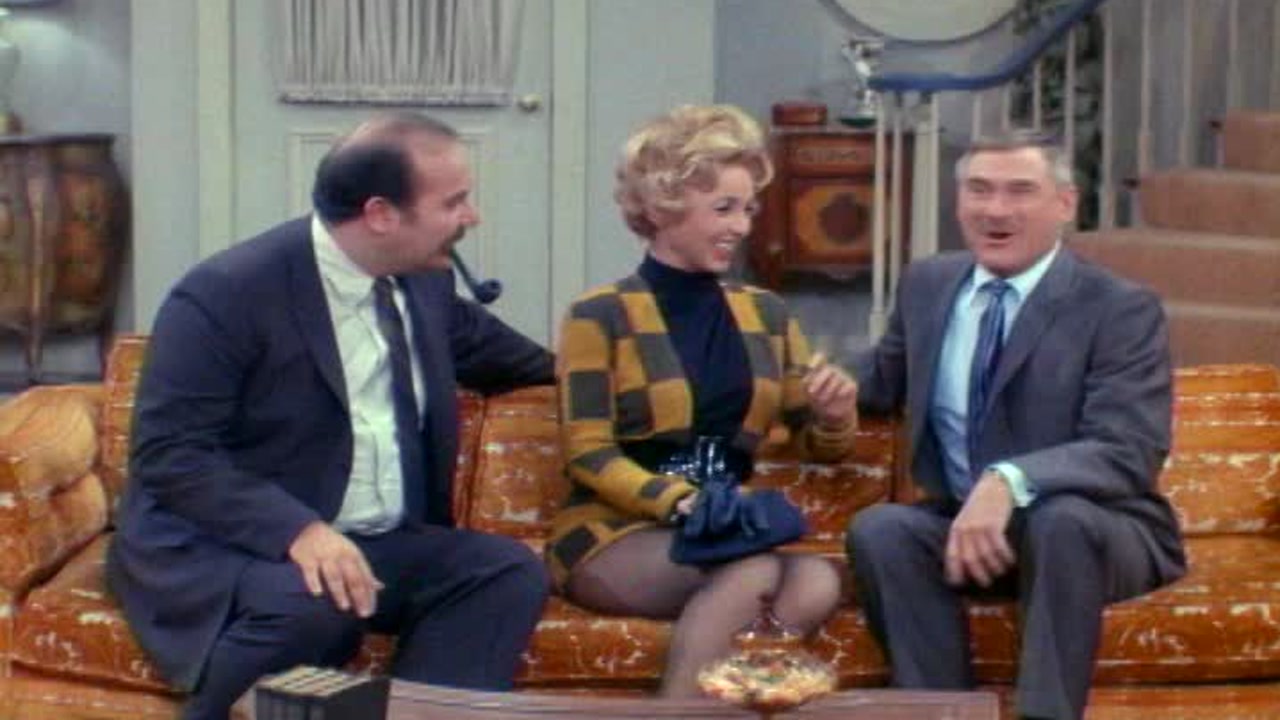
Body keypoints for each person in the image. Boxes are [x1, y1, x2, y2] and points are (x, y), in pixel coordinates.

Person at [106, 112, 556, 720]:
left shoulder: (424, 285)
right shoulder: (227, 294)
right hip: (235, 544)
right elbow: (170, 454)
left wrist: (614, 371)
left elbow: (523, 361)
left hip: (372, 539)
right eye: (454, 202)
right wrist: (298, 531)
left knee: (502, 571)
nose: (470, 217)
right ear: (381, 214)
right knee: (319, 604)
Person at [845, 129, 1187, 720]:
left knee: (1060, 521)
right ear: (959, 202)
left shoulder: (1118, 308)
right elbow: (879, 382)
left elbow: (1128, 448)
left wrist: (1007, 480)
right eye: (979, 190)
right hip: (969, 528)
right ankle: (943, 712)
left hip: (1101, 530)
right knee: (882, 530)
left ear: (1065, 204)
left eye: (1020, 191)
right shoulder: (928, 285)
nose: (996, 210)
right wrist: (829, 393)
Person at [546, 104, 860, 698]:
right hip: (615, 534)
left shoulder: (766, 313)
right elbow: (587, 453)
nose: (741, 226)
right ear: (662, 208)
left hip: (725, 533)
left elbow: (819, 445)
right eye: (723, 208)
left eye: (748, 209)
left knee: (817, 580)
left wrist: (835, 416)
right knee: (755, 571)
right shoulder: (599, 314)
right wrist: (679, 501)